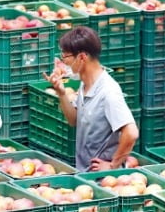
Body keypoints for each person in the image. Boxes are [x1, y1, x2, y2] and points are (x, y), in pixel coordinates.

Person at [44, 26, 139, 171]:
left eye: (65, 57)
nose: (63, 63)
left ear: (82, 57)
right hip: (86, 173)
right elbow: (74, 120)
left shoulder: (108, 92)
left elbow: (131, 132)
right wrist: (62, 94)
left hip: (103, 179)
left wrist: (113, 165)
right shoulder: (85, 84)